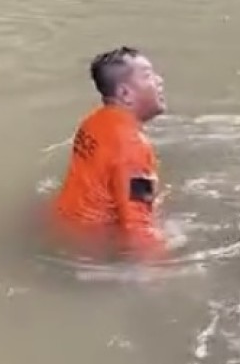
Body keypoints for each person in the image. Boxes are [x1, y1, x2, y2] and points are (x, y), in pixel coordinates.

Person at [50, 46, 168, 262]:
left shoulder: (93, 121)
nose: (159, 81)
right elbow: (138, 225)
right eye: (148, 76)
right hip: (93, 252)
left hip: (64, 227)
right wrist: (163, 273)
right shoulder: (133, 148)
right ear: (125, 93)